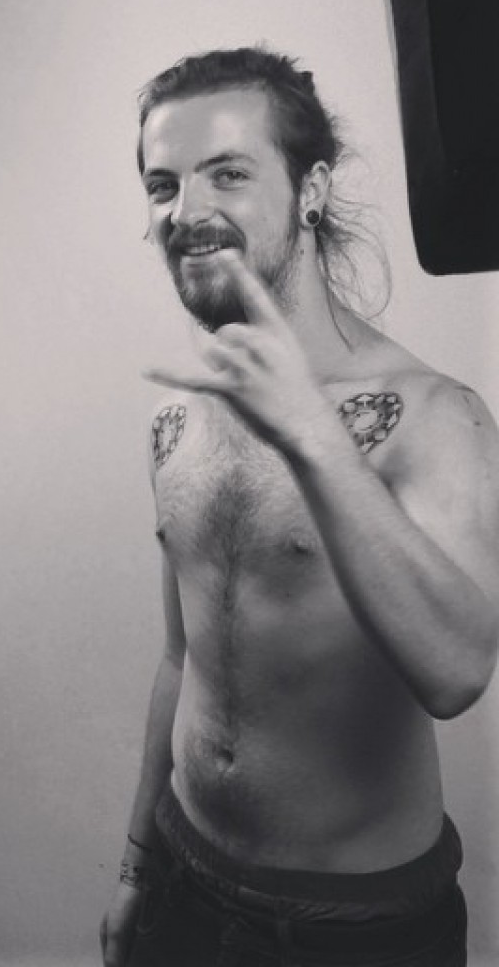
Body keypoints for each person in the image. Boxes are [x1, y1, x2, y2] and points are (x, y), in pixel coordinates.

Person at [100, 48, 499, 966]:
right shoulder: (178, 419)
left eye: (227, 174)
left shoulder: (434, 416)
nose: (186, 211)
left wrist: (315, 437)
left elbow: (457, 672)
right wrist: (135, 868)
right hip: (184, 888)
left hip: (354, 931)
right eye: (163, 185)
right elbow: (182, 659)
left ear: (311, 190)